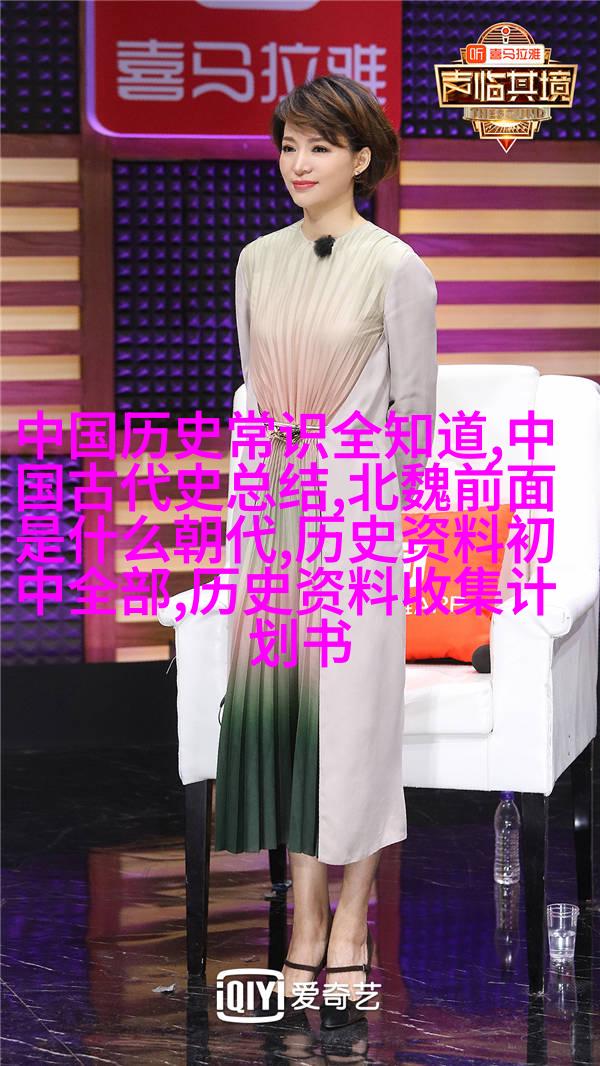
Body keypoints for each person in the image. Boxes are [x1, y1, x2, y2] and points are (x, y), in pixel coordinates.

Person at [214, 74, 438, 1027]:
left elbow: (416, 419)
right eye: (288, 146)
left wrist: (385, 525)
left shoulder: (398, 268)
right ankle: (305, 920)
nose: (298, 164)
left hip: (356, 518)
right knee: (288, 727)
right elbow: (252, 394)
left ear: (361, 158)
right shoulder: (256, 260)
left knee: (352, 727)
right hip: (271, 515)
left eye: (319, 147)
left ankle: (354, 922)